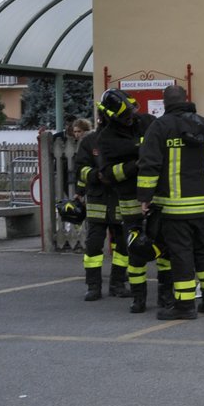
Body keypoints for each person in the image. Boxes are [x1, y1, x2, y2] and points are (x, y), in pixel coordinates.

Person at [137, 84, 204, 320]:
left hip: (174, 207)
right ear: (186, 99)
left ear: (164, 103)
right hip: (202, 205)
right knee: (203, 249)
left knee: (181, 253)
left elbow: (149, 165)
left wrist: (145, 198)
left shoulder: (160, 126)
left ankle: (185, 306)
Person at [93, 89, 173, 313]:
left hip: (157, 201)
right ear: (111, 116)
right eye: (125, 116)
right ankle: (138, 299)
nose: (131, 118)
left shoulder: (148, 122)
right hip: (130, 203)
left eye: (131, 112)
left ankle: (166, 297)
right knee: (136, 253)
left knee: (164, 250)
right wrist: (134, 165)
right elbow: (108, 174)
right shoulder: (106, 138)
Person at [73, 112, 128, 301]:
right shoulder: (90, 141)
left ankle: (118, 284)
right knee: (94, 246)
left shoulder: (125, 139)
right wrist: (96, 175)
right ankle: (93, 286)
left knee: (122, 245)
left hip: (120, 199)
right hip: (98, 199)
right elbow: (80, 169)